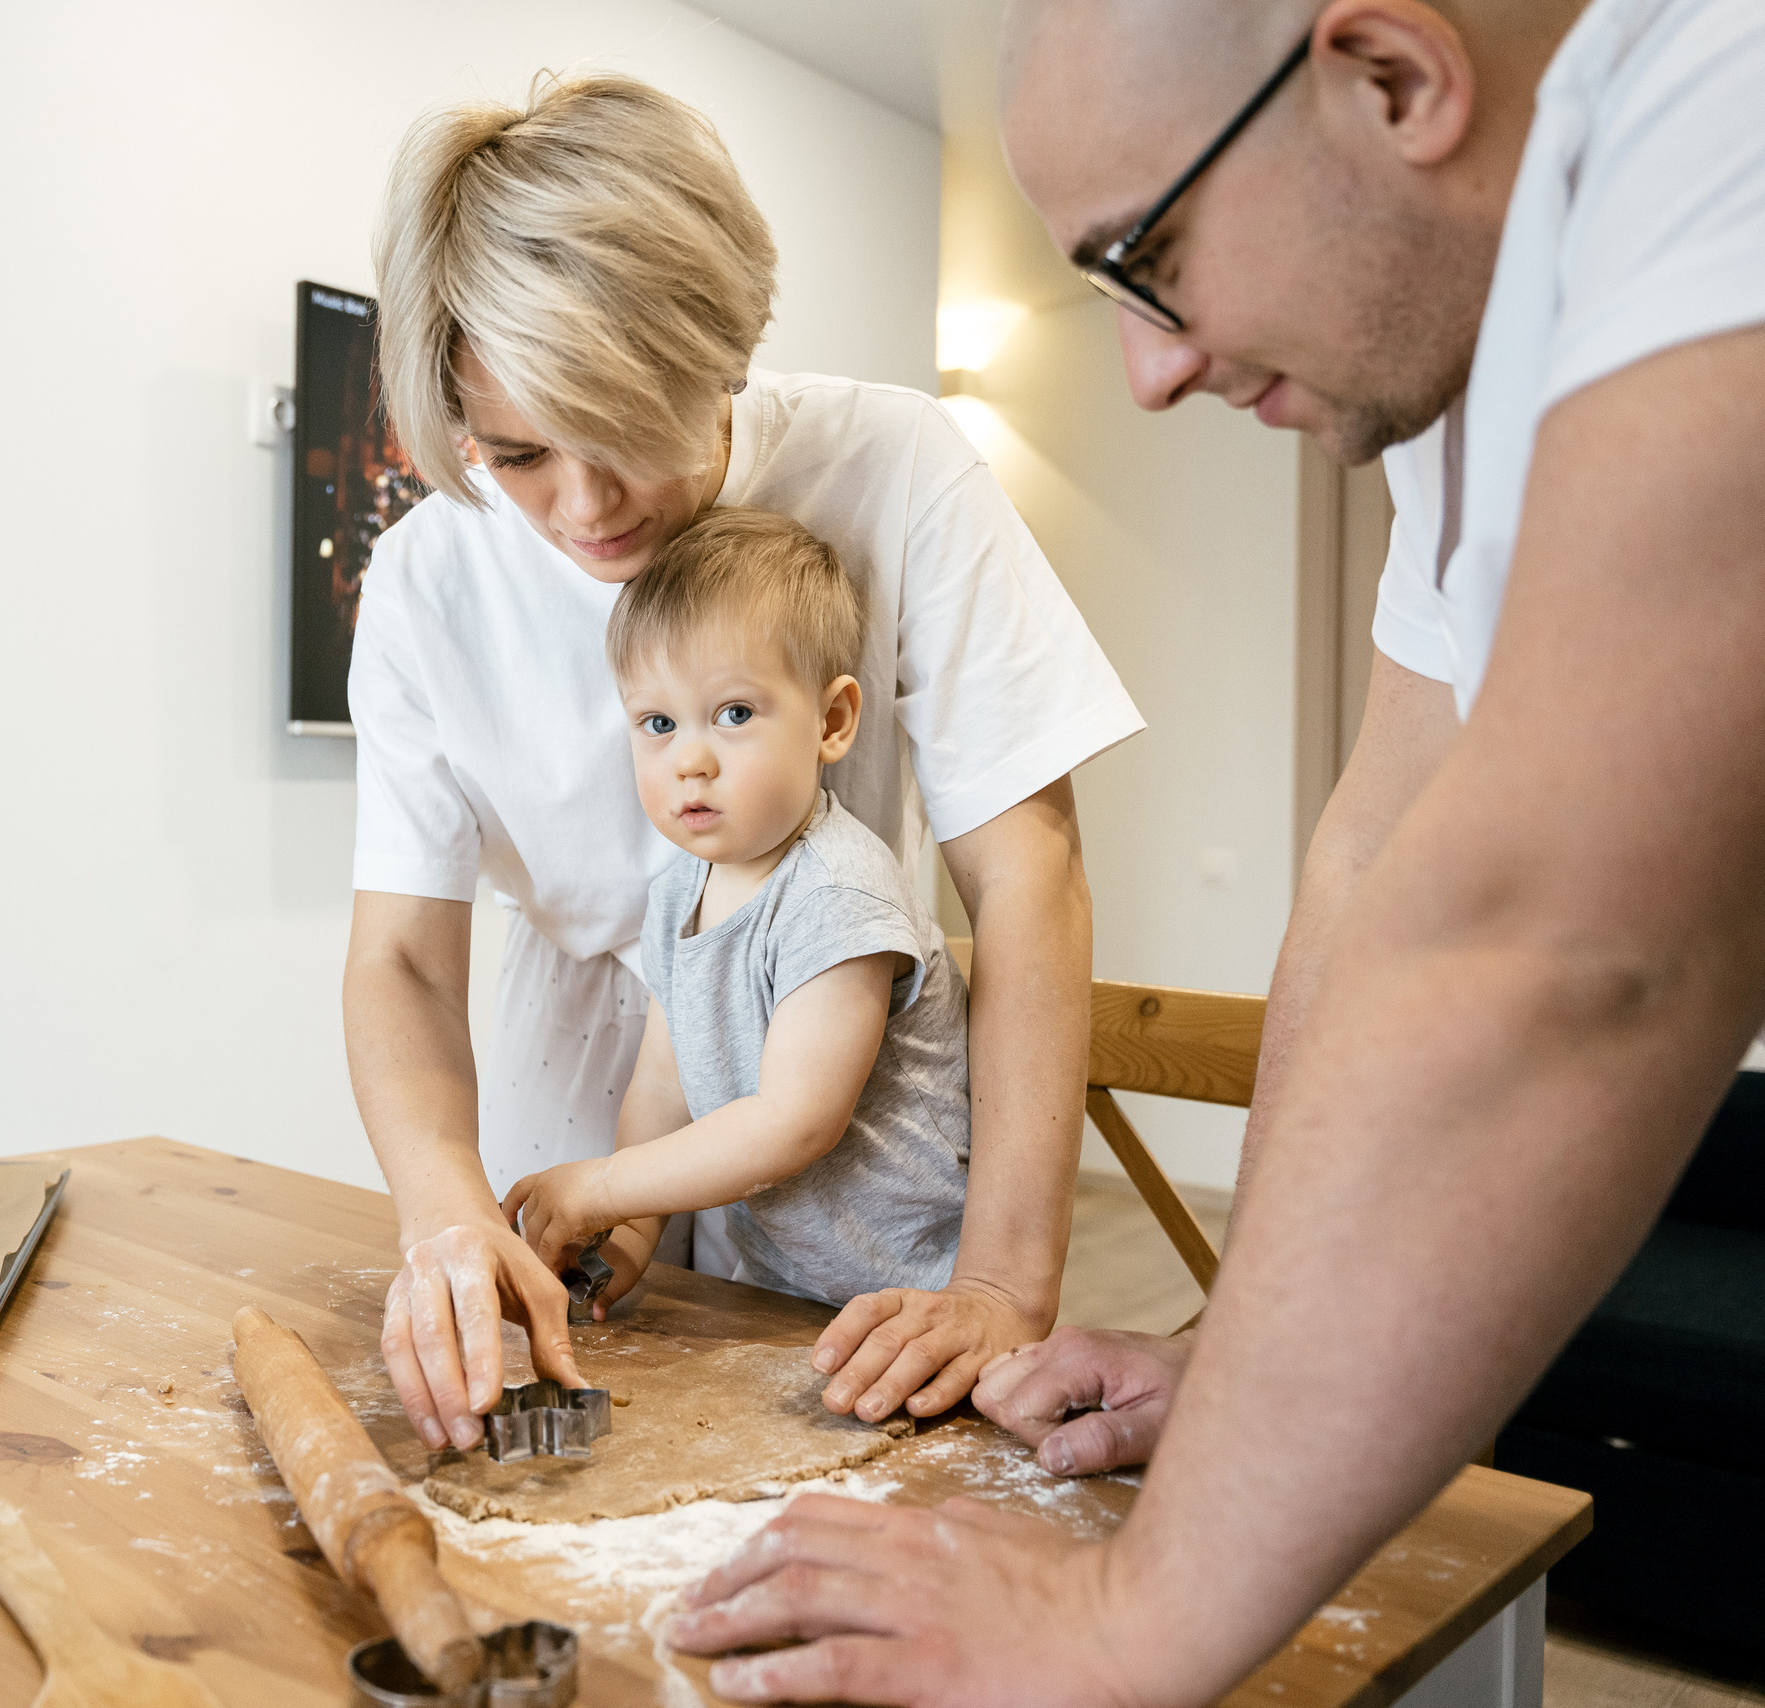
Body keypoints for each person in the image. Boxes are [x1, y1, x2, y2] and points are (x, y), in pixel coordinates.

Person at [663, 0, 1765, 1702]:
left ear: (1390, 77)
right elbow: (1371, 864)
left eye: (1147, 257)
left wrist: (1125, 1619)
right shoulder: (1496, 384)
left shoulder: (1724, 114)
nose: (1152, 368)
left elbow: (1554, 949)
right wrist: (1246, 1358)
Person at [346, 72, 1145, 1456]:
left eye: (628, 434)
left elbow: (1028, 877)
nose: (585, 509)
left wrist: (1007, 1282)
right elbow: (404, 959)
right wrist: (451, 1215)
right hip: (581, 1095)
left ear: (721, 355)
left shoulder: (893, 464)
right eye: (521, 454)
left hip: (833, 1091)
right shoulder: (429, 573)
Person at [501, 508, 980, 1312]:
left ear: (831, 722)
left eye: (733, 714)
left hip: (918, 1294)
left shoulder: (836, 891)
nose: (690, 760)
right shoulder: (675, 896)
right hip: (782, 1291)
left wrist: (606, 1186)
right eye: (658, 723)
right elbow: (661, 1087)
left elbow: (796, 1121)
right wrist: (627, 1236)